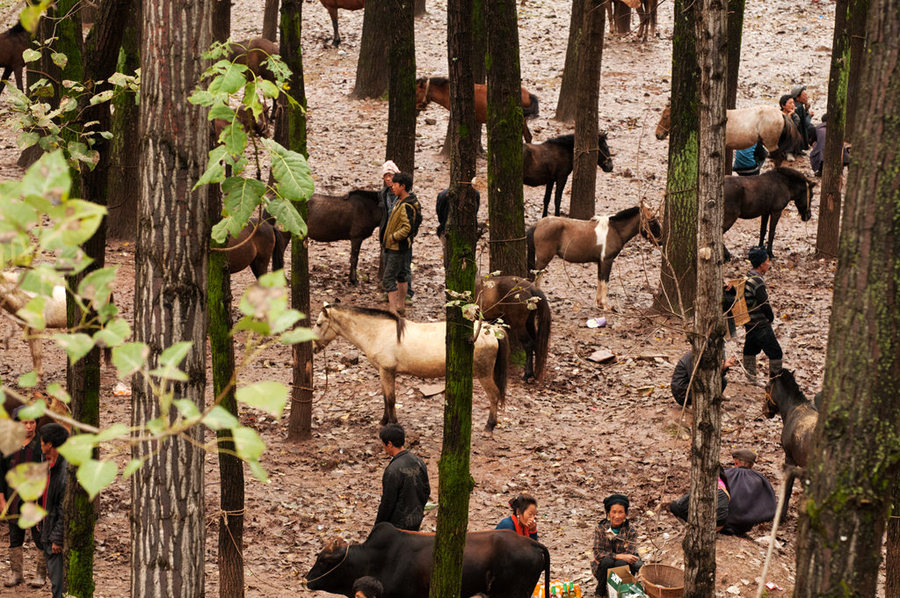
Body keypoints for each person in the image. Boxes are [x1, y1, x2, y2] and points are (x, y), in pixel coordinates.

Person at [1, 407, 45, 589]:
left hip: (35, 497)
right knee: (15, 535)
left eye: (32, 422)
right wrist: (2, 498)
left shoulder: (42, 444)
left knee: (39, 535)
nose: (28, 426)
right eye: (24, 422)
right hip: (13, 496)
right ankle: (16, 573)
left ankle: (41, 574)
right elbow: (1, 472)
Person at [375, 424, 430, 531]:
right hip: (416, 520)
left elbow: (387, 503)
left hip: (398, 526)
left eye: (384, 445)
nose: (384, 449)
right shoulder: (419, 462)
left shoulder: (392, 470)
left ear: (389, 444)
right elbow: (426, 491)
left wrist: (378, 527)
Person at [380, 172, 421, 316]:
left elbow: (407, 227)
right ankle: (401, 306)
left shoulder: (405, 205)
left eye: (395, 185)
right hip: (404, 246)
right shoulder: (406, 201)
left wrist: (393, 237)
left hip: (396, 247)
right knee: (402, 275)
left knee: (388, 278)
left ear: (402, 186)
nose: (392, 187)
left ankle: (392, 310)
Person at [742, 246, 783, 381]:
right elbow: (764, 303)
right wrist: (770, 318)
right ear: (761, 264)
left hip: (749, 323)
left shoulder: (747, 276)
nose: (768, 264)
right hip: (760, 323)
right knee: (776, 353)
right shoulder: (757, 281)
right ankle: (775, 383)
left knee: (750, 350)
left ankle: (750, 379)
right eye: (767, 261)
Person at [37, 423, 68, 598]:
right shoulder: (45, 461)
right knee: (54, 577)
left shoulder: (64, 472)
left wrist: (57, 538)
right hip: (46, 525)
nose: (40, 444)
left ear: (49, 444)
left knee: (58, 582)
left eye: (42, 441)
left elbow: (64, 509)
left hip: (55, 534)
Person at [591, 494, 642, 597]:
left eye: (620, 512)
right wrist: (618, 556)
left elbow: (630, 556)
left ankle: (622, 591)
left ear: (626, 514)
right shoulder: (601, 529)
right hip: (604, 567)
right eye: (614, 512)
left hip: (624, 566)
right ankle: (600, 590)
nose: (617, 516)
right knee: (606, 561)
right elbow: (597, 553)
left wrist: (619, 557)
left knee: (621, 563)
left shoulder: (630, 530)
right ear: (608, 513)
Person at [377, 161, 414, 302]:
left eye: (390, 175)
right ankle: (390, 292)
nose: (387, 179)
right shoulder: (383, 194)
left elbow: (411, 221)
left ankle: (407, 294)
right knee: (388, 265)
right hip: (387, 235)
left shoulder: (406, 196)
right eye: (385, 176)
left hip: (402, 237)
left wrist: (404, 235)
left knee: (405, 265)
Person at [721, 449, 777, 535]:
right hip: (744, 524)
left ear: (736, 462)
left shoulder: (725, 473)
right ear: (752, 464)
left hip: (722, 521)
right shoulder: (759, 479)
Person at [667, 468, 731, 531]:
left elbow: (679, 506)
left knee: (675, 506)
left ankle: (692, 527)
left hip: (711, 525)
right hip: (720, 525)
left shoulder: (707, 485)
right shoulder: (724, 486)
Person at [670, 352, 738, 407]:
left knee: (723, 381)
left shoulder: (706, 358)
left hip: (692, 388)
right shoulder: (693, 358)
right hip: (683, 394)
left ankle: (710, 402)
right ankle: (695, 405)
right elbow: (697, 379)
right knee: (705, 385)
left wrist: (723, 368)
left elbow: (711, 376)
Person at [790, 85, 815, 150]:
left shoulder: (796, 105)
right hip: (797, 134)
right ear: (797, 98)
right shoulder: (799, 107)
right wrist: (809, 115)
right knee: (812, 128)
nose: (807, 97)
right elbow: (805, 123)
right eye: (804, 95)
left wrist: (806, 110)